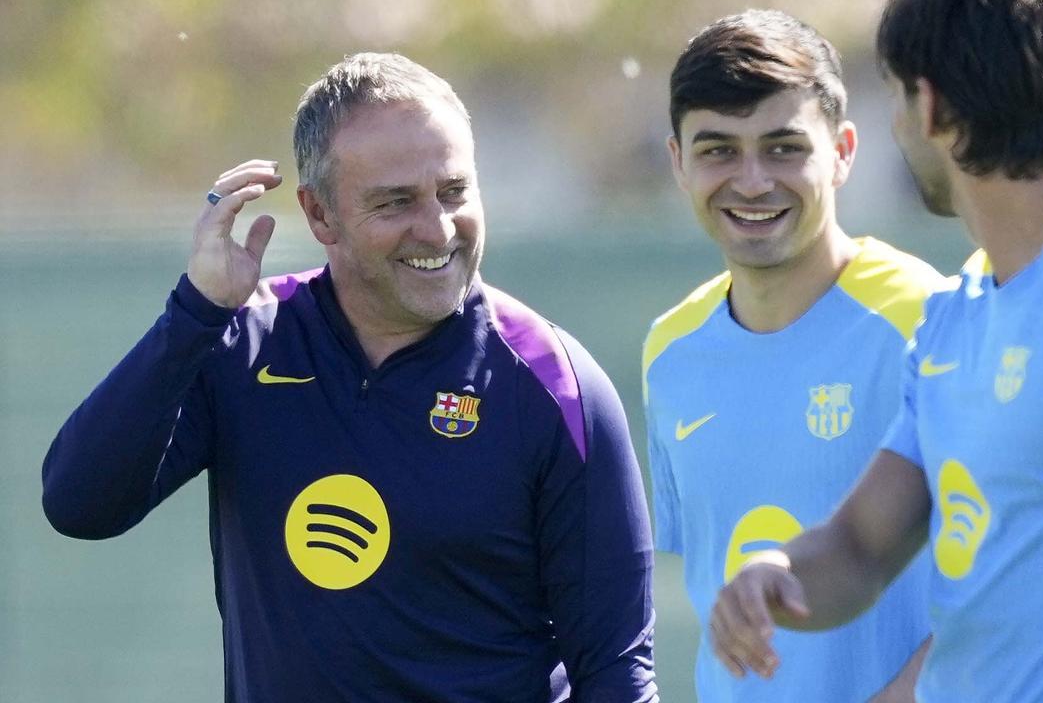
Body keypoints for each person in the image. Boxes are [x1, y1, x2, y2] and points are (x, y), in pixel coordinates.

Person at [42, 53, 658, 703]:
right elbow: (80, 505)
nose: (438, 228)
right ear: (319, 215)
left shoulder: (553, 384)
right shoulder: (241, 342)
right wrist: (195, 312)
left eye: (454, 191)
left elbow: (618, 669)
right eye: (396, 202)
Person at [710, 0, 1043, 702]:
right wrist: (774, 577)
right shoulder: (957, 317)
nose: (897, 128)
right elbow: (862, 546)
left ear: (929, 104)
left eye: (894, 98)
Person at [643, 9, 943, 702]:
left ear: (841, 151)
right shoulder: (670, 351)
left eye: (783, 147)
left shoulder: (931, 320)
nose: (751, 182)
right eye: (718, 150)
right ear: (678, 163)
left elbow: (1012, 578)